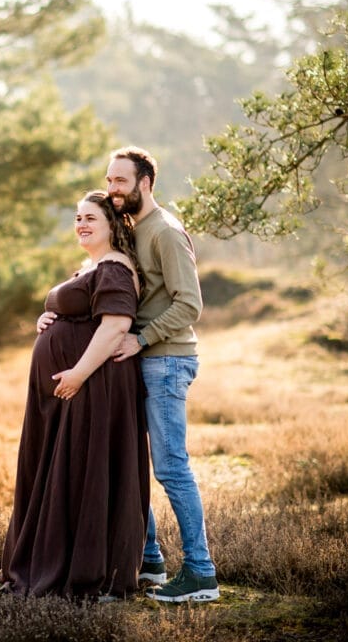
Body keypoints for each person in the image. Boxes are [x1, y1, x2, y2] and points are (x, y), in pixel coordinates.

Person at [0, 191, 149, 602]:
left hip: (91, 388)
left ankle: (81, 571)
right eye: (77, 218)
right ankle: (49, 558)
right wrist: (50, 317)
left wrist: (79, 374)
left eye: (91, 219)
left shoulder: (116, 266)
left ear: (112, 226)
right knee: (60, 469)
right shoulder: (94, 266)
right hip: (68, 391)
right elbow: (81, 313)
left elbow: (116, 326)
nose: (81, 224)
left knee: (82, 468)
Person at [105, 145, 219, 603]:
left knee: (171, 467)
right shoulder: (132, 229)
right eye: (109, 180)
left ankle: (201, 573)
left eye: (120, 181)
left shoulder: (166, 232)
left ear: (145, 183)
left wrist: (142, 338)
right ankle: (150, 558)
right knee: (133, 461)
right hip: (143, 359)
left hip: (166, 360)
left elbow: (190, 304)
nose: (113, 189)